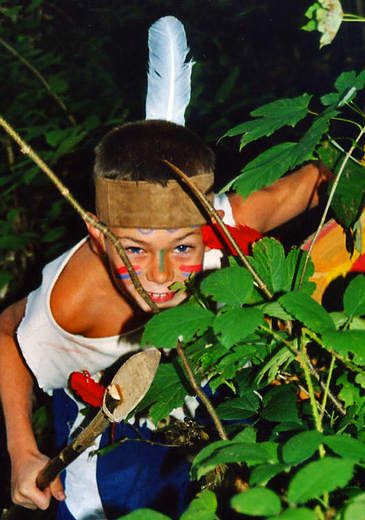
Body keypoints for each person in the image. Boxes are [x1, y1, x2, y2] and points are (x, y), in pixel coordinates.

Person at [0, 118, 330, 519]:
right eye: (136, 249)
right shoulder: (73, 300)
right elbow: (5, 330)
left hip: (213, 379)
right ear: (99, 236)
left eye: (182, 247)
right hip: (111, 423)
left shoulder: (223, 226)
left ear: (207, 226)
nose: (161, 274)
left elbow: (319, 179)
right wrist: (22, 451)